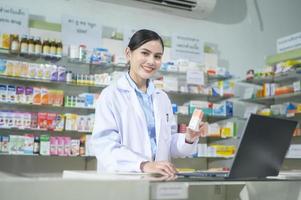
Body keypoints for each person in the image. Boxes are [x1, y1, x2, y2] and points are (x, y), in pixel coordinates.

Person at [92, 29, 207, 176]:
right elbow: (104, 145)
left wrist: (189, 138)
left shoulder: (162, 98)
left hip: (157, 180)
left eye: (157, 56)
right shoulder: (111, 95)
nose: (151, 61)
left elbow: (168, 144)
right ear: (128, 54)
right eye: (145, 53)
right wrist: (143, 165)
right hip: (123, 181)